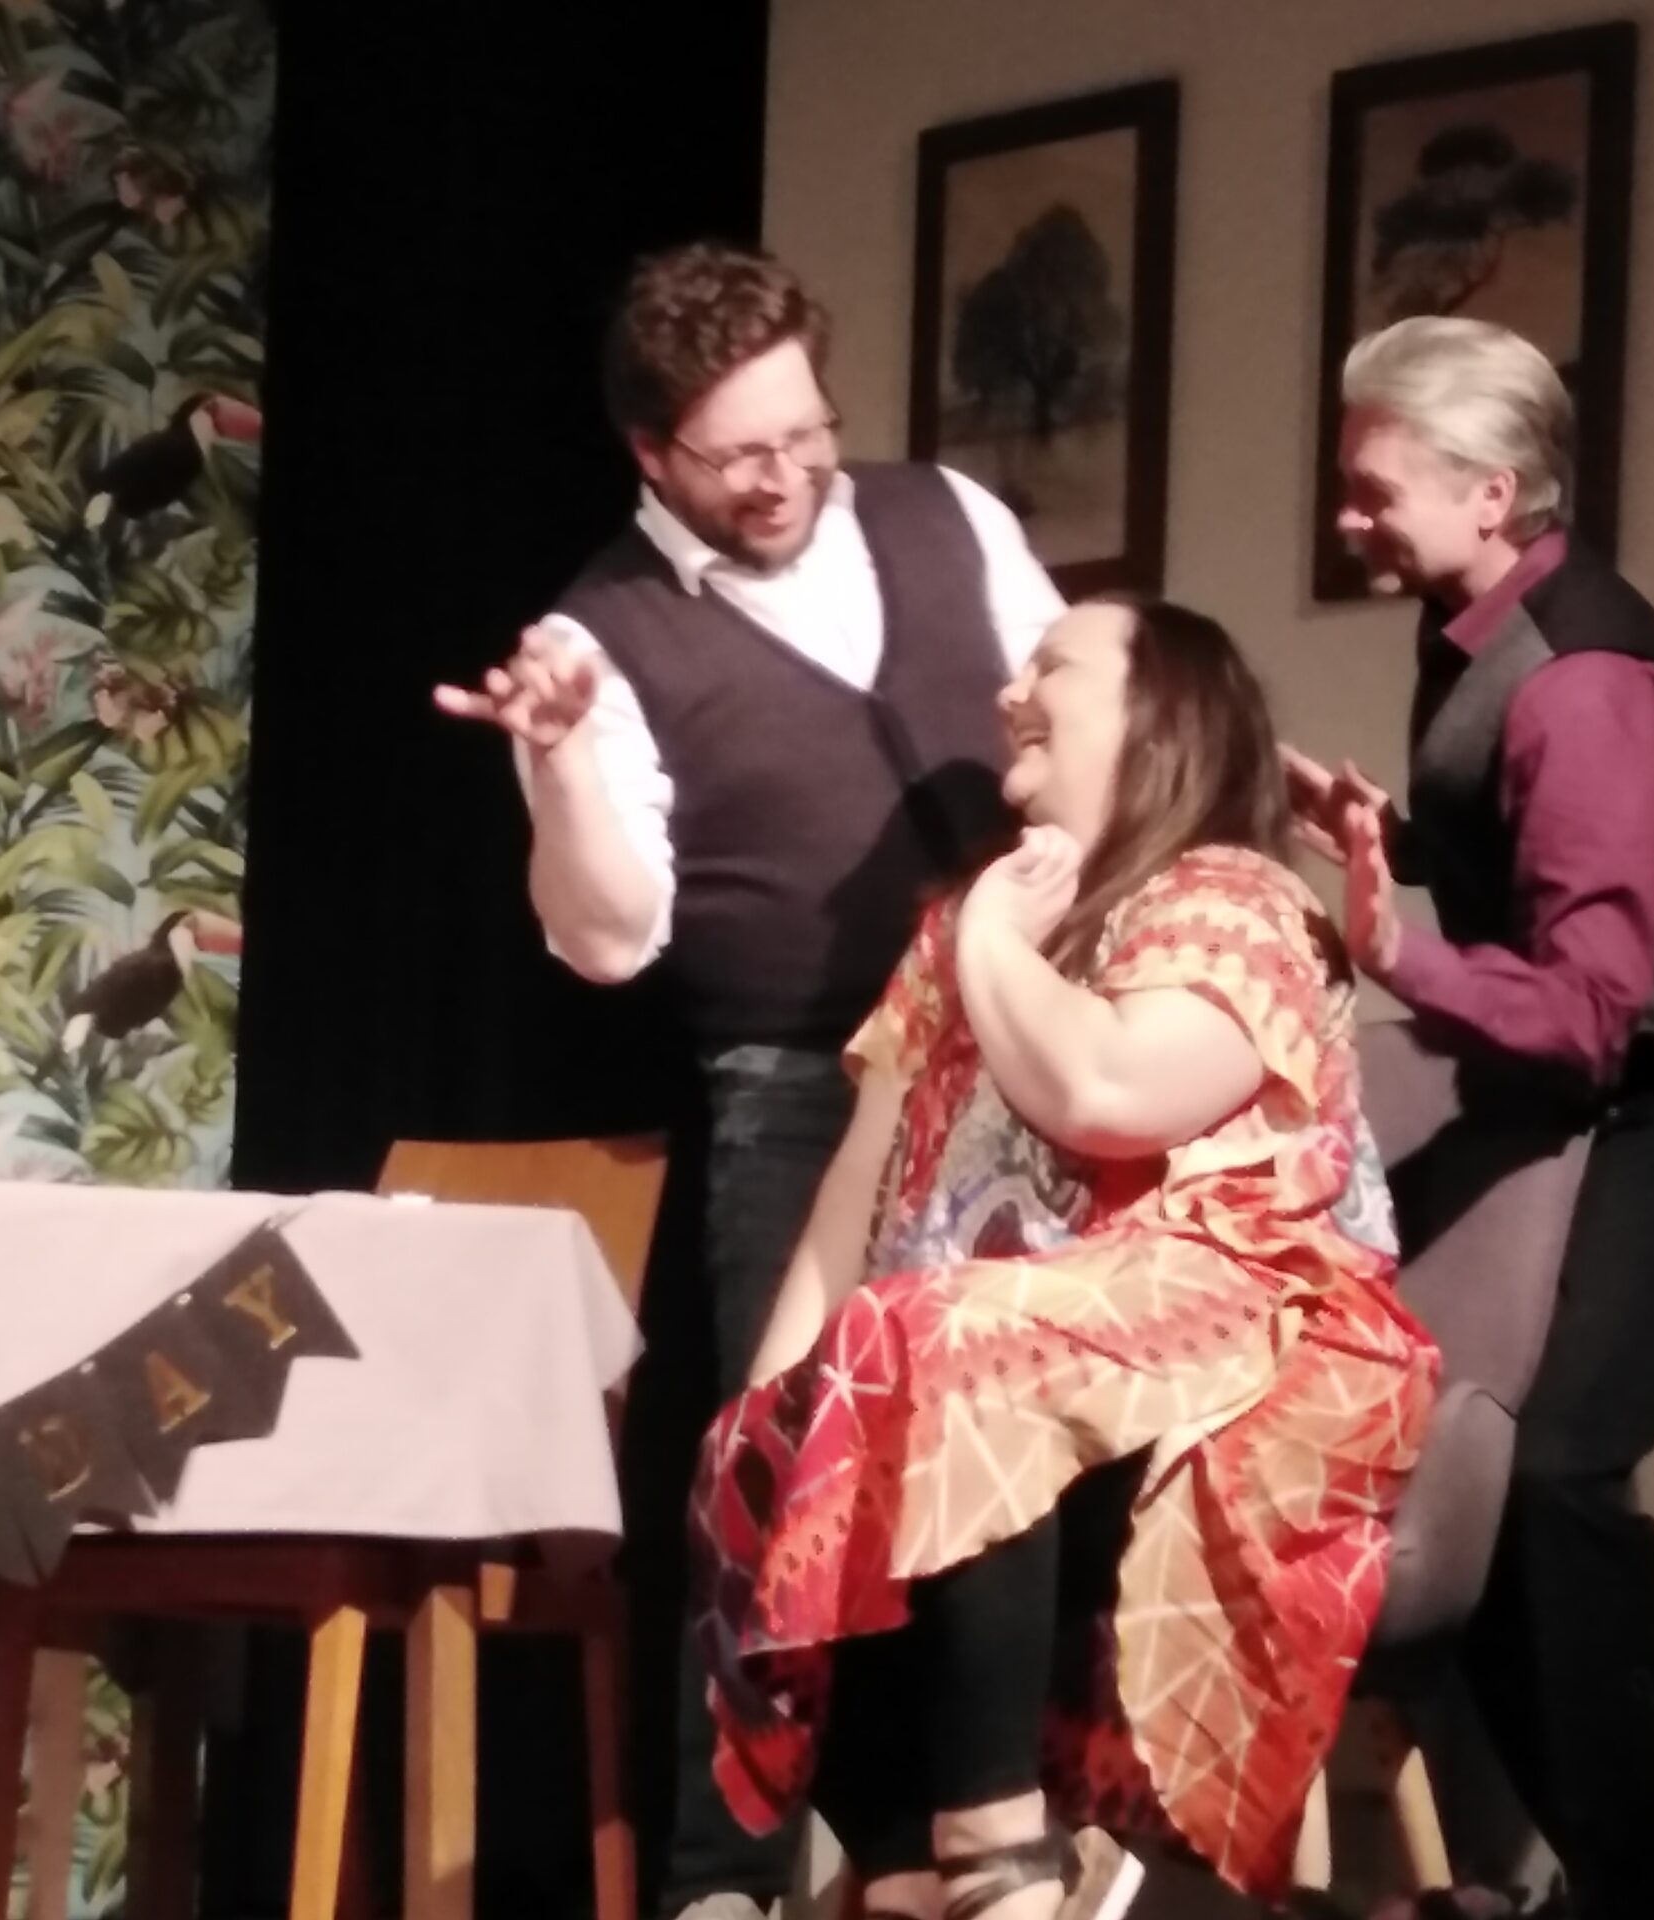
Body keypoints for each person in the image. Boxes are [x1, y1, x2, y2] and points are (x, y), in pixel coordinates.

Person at [435, 242, 1064, 1920]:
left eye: (805, 434)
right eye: (737, 455)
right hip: (799, 1088)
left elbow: (1080, 732)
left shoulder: (946, 516)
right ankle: (730, 1879)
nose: (785, 477)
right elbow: (605, 939)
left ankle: (981, 1851)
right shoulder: (598, 633)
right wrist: (561, 764)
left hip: (1017, 1063)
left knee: (1011, 1448)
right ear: (652, 451)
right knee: (781, 1478)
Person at [689, 598, 1437, 1920]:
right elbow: (857, 1189)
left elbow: (1108, 1090)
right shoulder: (954, 933)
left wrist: (995, 940)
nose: (1009, 693)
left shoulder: (1236, 902)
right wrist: (769, 1413)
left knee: (962, 1341)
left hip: (1234, 1351)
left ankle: (1002, 1858)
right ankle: (903, 1872)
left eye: (1054, 665)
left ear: (1159, 713)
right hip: (980, 1353)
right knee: (774, 1436)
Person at [1291, 315, 1654, 1919]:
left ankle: (1642, 1879)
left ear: (1492, 492)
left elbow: (1588, 1007)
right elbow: (1537, 864)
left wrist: (1388, 947)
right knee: (1465, 1469)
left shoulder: (1585, 683)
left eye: (1374, 491)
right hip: (1568, 1085)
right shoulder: (1479, 623)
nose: (1348, 520)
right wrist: (1390, 842)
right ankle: (1608, 1865)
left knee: (1559, 1469)